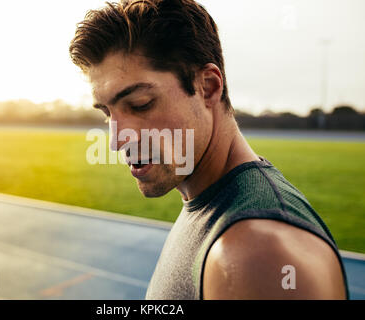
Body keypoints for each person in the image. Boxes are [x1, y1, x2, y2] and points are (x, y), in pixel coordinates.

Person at [69, 0, 348, 299]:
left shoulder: (256, 254)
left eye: (140, 105)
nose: (117, 140)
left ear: (209, 87)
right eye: (108, 113)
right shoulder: (209, 205)